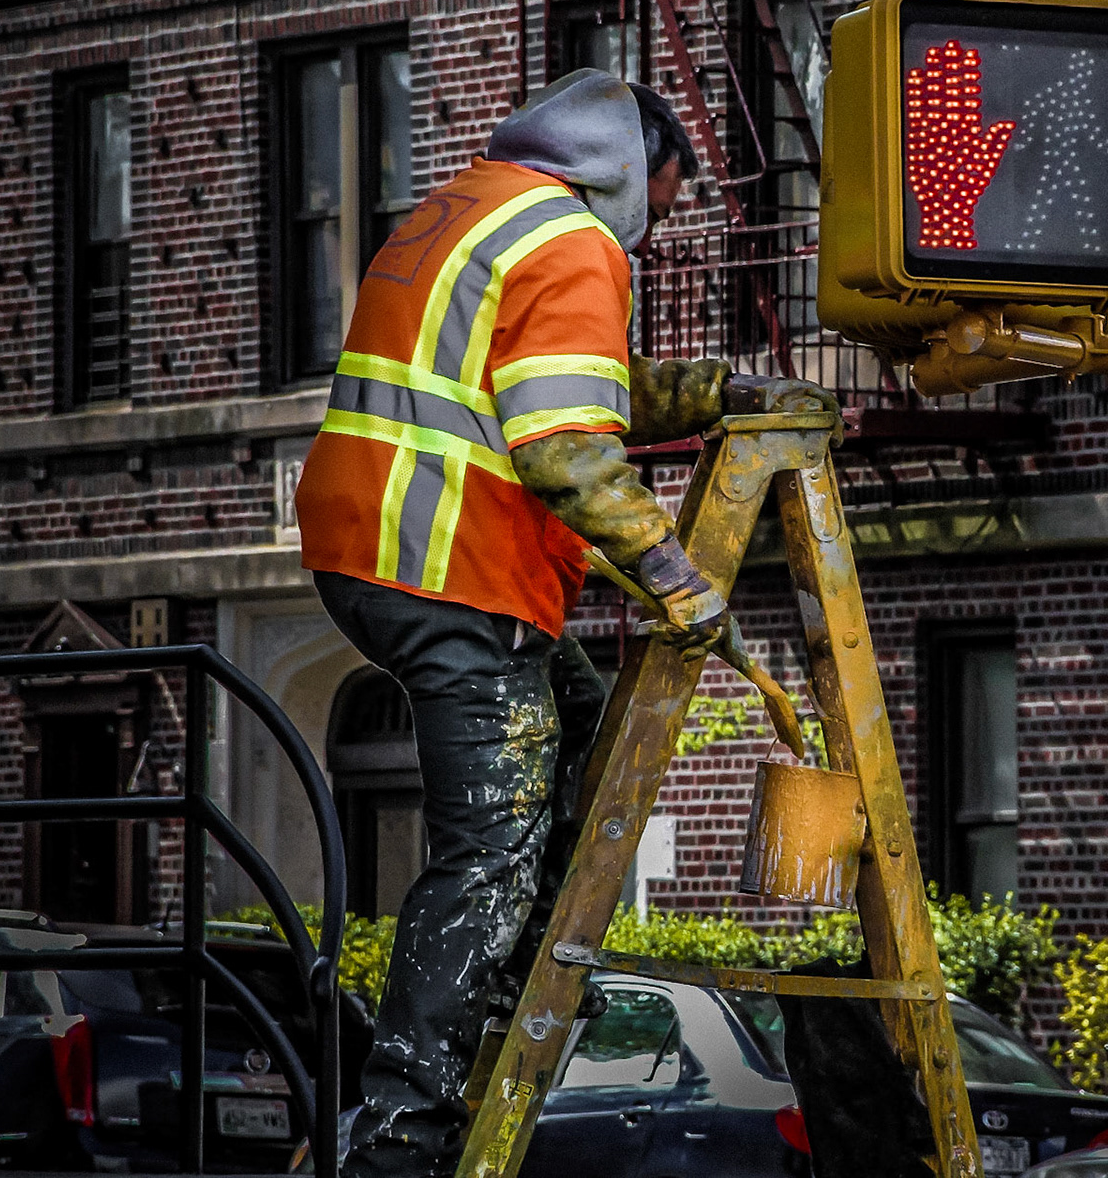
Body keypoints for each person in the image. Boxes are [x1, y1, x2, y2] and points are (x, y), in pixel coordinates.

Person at [292, 68, 838, 1178]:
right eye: (663, 206)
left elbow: (572, 382)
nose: (654, 230)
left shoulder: (468, 209)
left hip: (378, 546)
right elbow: (561, 446)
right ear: (631, 172)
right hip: (448, 561)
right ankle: (407, 1134)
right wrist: (676, 576)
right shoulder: (577, 241)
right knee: (490, 844)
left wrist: (715, 391)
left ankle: (521, 981)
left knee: (581, 723)